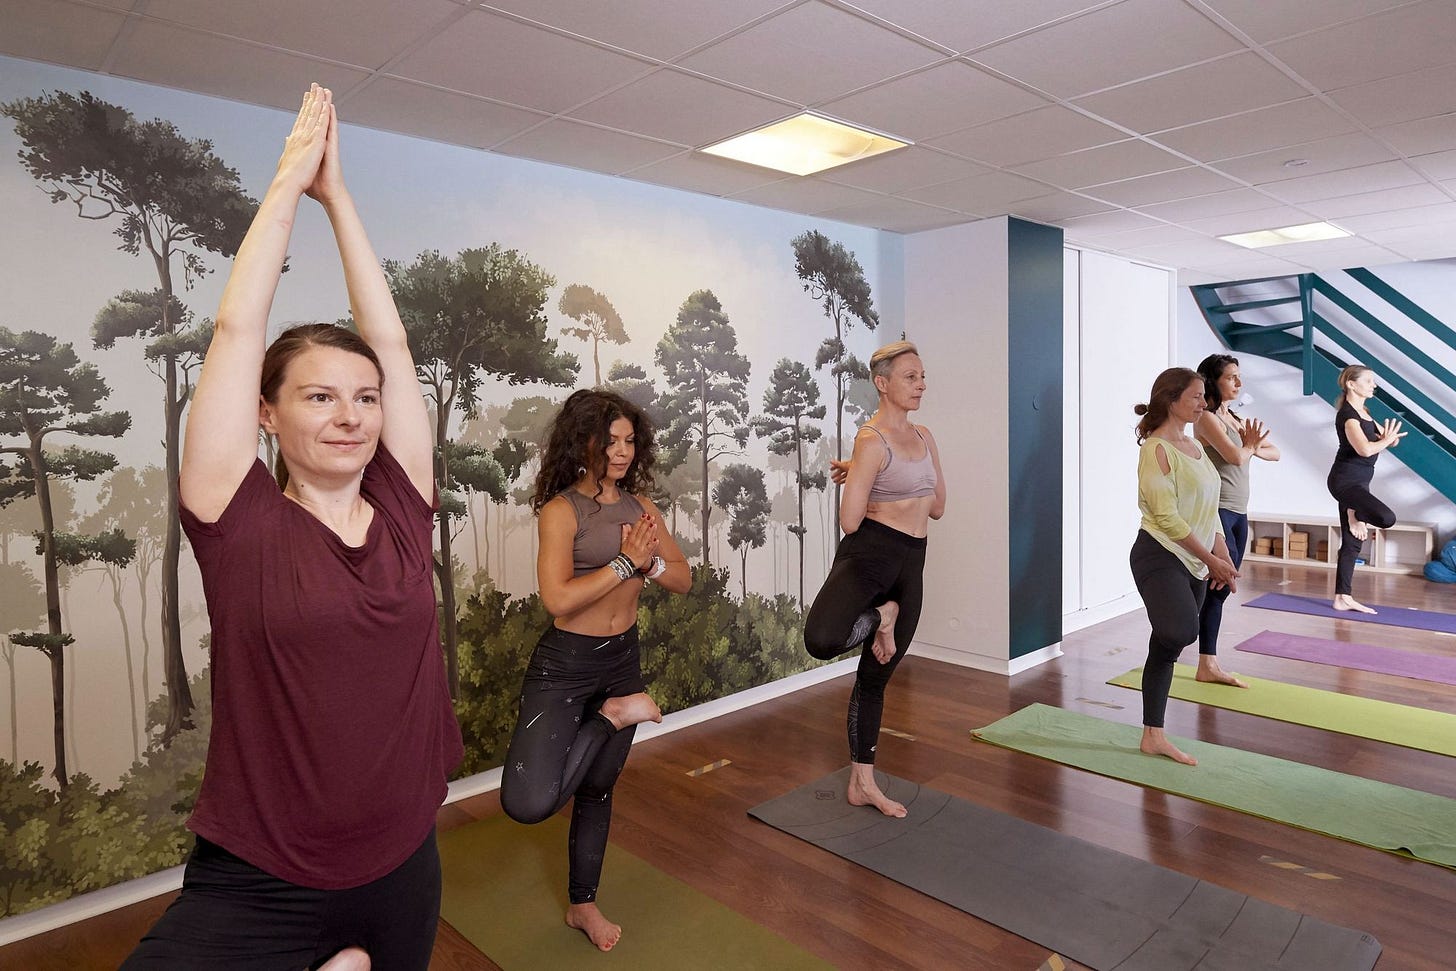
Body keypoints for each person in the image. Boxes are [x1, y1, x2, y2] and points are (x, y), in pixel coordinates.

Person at [122, 86, 462, 970]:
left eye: (363, 400)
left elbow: (394, 348)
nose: (350, 416)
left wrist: (342, 200)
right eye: (318, 396)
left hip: (402, 865)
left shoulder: (401, 510)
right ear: (267, 415)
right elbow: (238, 329)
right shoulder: (239, 523)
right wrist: (289, 187)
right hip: (262, 876)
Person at [499, 388, 691, 952]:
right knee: (529, 802)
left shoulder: (641, 508)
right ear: (583, 441)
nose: (622, 451)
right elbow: (558, 599)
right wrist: (626, 562)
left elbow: (682, 579)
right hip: (567, 667)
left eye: (630, 440)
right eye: (610, 440)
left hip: (622, 659)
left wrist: (650, 562)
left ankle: (583, 904)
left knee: (598, 789)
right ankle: (614, 717)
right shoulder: (561, 511)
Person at [807, 341, 946, 818]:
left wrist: (882, 481)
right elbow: (850, 521)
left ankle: (862, 782)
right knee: (823, 639)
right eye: (910, 376)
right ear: (883, 384)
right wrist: (869, 477)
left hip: (912, 564)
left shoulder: (925, 437)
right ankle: (881, 615)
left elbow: (939, 506)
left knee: (875, 678)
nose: (921, 384)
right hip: (869, 556)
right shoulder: (870, 441)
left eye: (922, 376)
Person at [1130, 367, 1238, 766]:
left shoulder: (1193, 445)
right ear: (1171, 399)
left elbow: (1207, 511)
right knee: (1179, 630)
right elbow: (1168, 518)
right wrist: (1211, 560)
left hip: (1195, 557)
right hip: (1159, 554)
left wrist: (1221, 554)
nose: (1204, 403)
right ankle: (1153, 731)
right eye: (1196, 397)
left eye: (1204, 396)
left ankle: (1152, 734)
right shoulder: (1155, 449)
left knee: (1170, 644)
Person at [1193, 354, 1276, 688]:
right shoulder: (1208, 419)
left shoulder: (1236, 418)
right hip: (1219, 512)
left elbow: (1275, 452)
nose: (1239, 384)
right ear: (1214, 382)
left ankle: (1207, 662)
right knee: (1217, 585)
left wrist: (1251, 446)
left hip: (1240, 513)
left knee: (1221, 588)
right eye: (1232, 377)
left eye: (1239, 377)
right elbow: (1234, 456)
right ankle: (1206, 663)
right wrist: (1250, 446)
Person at [1328, 364, 1405, 613]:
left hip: (1360, 483)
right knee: (1386, 518)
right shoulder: (1349, 416)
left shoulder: (1365, 412)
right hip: (1345, 482)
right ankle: (1355, 512)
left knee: (1352, 543)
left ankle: (1342, 597)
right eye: (1369, 381)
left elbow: (1384, 441)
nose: (1374, 385)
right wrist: (1383, 441)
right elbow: (1365, 449)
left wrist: (1389, 439)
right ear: (1352, 384)